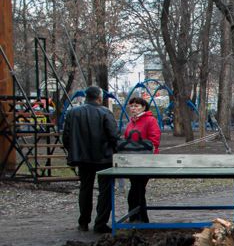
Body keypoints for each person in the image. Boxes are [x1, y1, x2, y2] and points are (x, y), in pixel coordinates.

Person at [61, 86, 120, 233]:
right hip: (104, 158)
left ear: (86, 97)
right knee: (105, 191)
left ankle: (83, 222)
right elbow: (113, 136)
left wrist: (72, 151)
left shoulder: (73, 113)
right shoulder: (105, 112)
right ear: (99, 98)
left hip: (82, 158)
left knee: (85, 189)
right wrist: (117, 152)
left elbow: (66, 136)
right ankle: (100, 223)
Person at [121, 97, 161, 223]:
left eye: (136, 106)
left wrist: (146, 154)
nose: (133, 108)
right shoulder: (131, 122)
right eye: (131, 106)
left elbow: (155, 140)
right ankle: (139, 217)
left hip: (145, 162)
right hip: (131, 162)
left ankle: (137, 217)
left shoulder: (150, 120)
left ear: (143, 107)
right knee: (136, 189)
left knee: (137, 189)